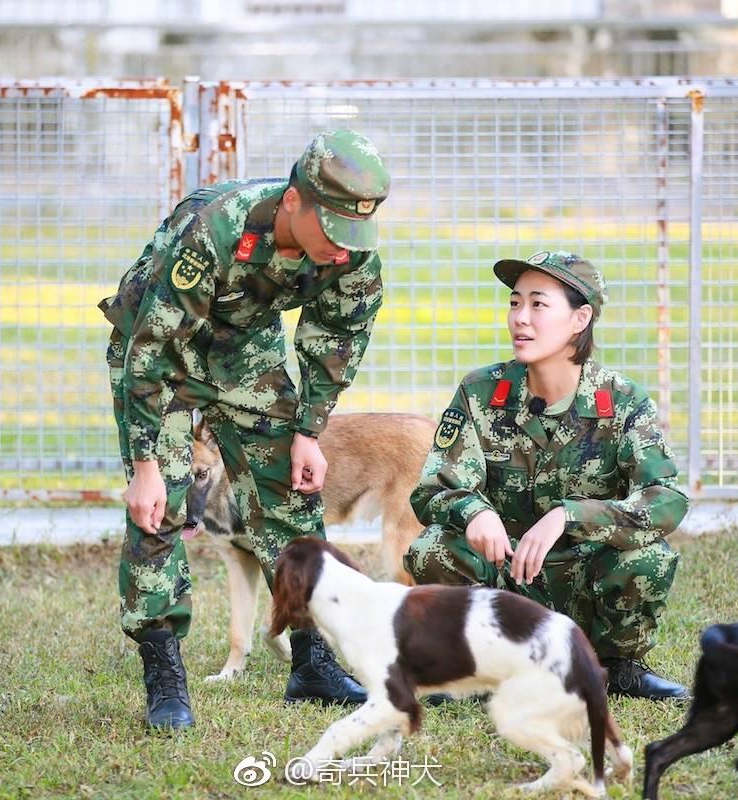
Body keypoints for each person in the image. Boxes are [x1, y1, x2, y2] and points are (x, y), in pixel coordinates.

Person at [99, 130, 390, 728]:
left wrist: (308, 430)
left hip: (244, 347)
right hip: (162, 355)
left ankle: (312, 664)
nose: (342, 249)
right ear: (293, 202)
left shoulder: (351, 250)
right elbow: (149, 353)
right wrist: (147, 468)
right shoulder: (211, 232)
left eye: (353, 234)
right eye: (331, 229)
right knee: (161, 510)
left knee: (291, 495)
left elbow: (338, 337)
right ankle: (165, 679)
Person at [404, 250, 690, 701]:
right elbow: (434, 487)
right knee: (433, 548)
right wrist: (474, 510)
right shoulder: (482, 391)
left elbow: (667, 500)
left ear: (580, 318)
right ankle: (481, 669)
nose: (520, 318)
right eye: (515, 303)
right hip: (506, 580)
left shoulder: (623, 402)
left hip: (584, 578)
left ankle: (616, 668)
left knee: (648, 556)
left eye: (538, 305)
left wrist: (571, 515)